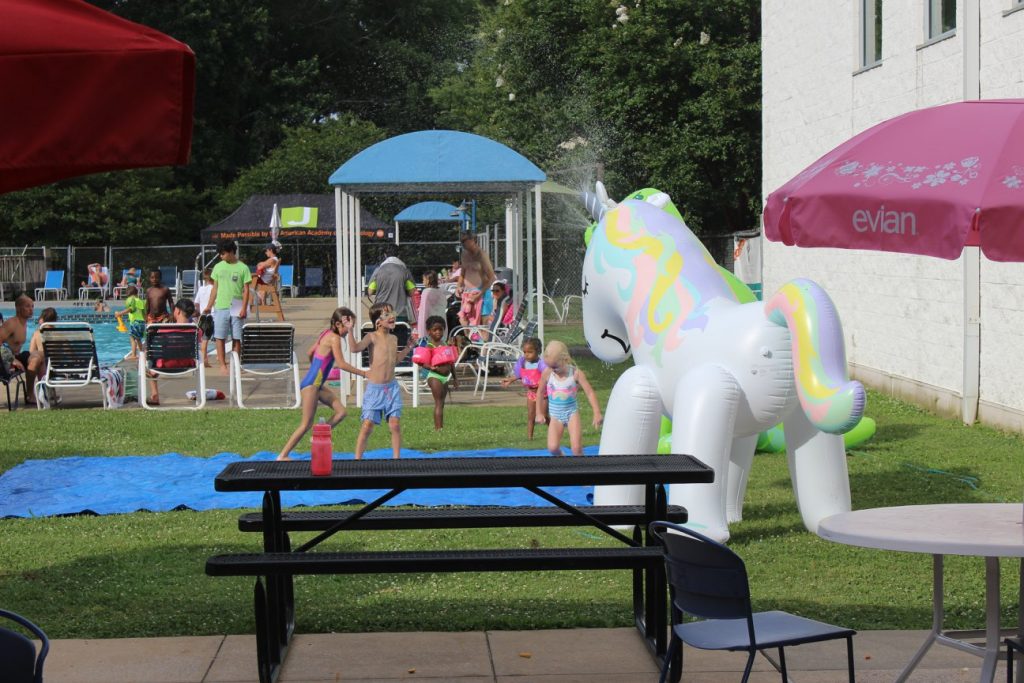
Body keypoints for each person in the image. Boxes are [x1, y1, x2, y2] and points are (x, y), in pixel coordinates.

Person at [277, 307, 368, 461]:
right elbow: (341, 364)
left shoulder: (325, 333)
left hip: (316, 383)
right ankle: (283, 455)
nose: (348, 330)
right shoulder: (335, 338)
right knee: (305, 424)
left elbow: (310, 352)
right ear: (339, 324)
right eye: (348, 326)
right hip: (312, 385)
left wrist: (316, 369)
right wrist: (364, 373)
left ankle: (319, 435)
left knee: (341, 412)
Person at [351, 302, 417, 459]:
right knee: (367, 426)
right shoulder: (371, 337)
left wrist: (408, 347)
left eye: (392, 312)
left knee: (394, 424)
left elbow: (395, 360)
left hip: (391, 388)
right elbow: (355, 349)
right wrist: (349, 331)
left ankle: (396, 459)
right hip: (375, 389)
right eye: (386, 314)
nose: (392, 316)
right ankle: (357, 459)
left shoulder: (394, 338)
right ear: (377, 322)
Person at [536, 340, 603, 456]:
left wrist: (597, 412)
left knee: (576, 449)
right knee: (552, 448)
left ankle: (581, 469)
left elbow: (590, 392)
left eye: (555, 366)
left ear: (565, 360)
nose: (553, 370)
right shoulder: (547, 373)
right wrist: (539, 413)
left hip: (571, 413)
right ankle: (564, 463)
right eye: (550, 366)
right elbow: (540, 393)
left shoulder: (575, 373)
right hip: (555, 416)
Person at [202, 240, 250, 375]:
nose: (221, 256)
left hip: (237, 307)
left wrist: (244, 308)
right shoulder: (218, 267)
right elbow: (214, 288)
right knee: (220, 336)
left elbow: (246, 290)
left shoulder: (243, 268)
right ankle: (223, 365)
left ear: (230, 252)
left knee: (237, 337)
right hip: (221, 306)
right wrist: (209, 306)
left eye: (223, 253)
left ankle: (236, 363)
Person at [145, 299, 198, 406]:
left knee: (146, 356)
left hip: (166, 365)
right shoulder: (196, 330)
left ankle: (155, 396)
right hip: (187, 364)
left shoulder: (164, 330)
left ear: (177, 311)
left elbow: (155, 347)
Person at [500, 337, 547, 440]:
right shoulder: (524, 363)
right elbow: (520, 375)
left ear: (538, 351)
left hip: (543, 395)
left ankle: (553, 432)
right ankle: (529, 438)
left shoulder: (541, 364)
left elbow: (548, 376)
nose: (527, 354)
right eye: (525, 352)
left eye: (530, 352)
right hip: (531, 394)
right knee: (531, 416)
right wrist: (510, 380)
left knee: (544, 416)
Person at [419, 315, 457, 431]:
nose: (438, 332)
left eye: (440, 329)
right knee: (439, 403)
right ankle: (438, 429)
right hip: (434, 376)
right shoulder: (428, 346)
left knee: (442, 404)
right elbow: (420, 361)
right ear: (429, 331)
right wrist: (430, 367)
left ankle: (440, 427)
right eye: (435, 330)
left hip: (445, 377)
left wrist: (455, 378)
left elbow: (451, 363)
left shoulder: (445, 344)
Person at [0, 295, 39, 404]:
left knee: (38, 358)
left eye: (32, 306)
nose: (31, 309)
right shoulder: (11, 324)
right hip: (4, 362)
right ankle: (32, 395)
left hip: (15, 357)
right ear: (18, 308)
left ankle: (41, 393)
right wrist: (11, 359)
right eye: (27, 306)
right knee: (35, 358)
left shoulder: (24, 323)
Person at [457, 233, 496, 328]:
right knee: (463, 319)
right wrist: (458, 286)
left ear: (473, 240)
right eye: (462, 242)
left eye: (465, 242)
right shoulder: (464, 254)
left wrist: (479, 294)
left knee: (483, 324)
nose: (463, 244)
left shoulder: (482, 255)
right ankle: (469, 340)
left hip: (482, 293)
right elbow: (462, 273)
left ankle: (484, 342)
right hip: (468, 293)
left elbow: (492, 278)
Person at [367, 245, 416, 321]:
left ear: (385, 255)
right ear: (399, 255)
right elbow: (412, 292)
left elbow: (370, 291)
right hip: (400, 314)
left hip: (381, 313)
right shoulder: (405, 271)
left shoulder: (378, 271)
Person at [27, 307, 57, 387]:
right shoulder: (60, 335)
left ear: (42, 320)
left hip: (44, 367)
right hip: (57, 367)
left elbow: (31, 351)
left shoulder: (37, 334)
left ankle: (43, 388)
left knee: (39, 359)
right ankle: (48, 392)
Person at [417, 271, 448, 338]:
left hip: (429, 323)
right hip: (440, 322)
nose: (423, 282)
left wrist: (422, 332)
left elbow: (423, 312)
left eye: (423, 280)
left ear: (428, 280)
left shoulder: (426, 292)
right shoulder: (441, 291)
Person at [193, 270, 215, 367]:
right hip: (213, 315)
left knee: (203, 338)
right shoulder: (214, 288)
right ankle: (206, 360)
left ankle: (203, 358)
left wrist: (198, 314)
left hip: (203, 315)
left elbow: (196, 303)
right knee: (213, 338)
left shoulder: (201, 289)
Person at [120, 285, 147, 359]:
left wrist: (120, 313)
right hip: (142, 323)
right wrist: (146, 322)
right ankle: (142, 353)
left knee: (132, 338)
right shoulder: (141, 301)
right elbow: (144, 313)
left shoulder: (132, 300)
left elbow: (130, 309)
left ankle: (134, 355)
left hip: (135, 322)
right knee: (138, 339)